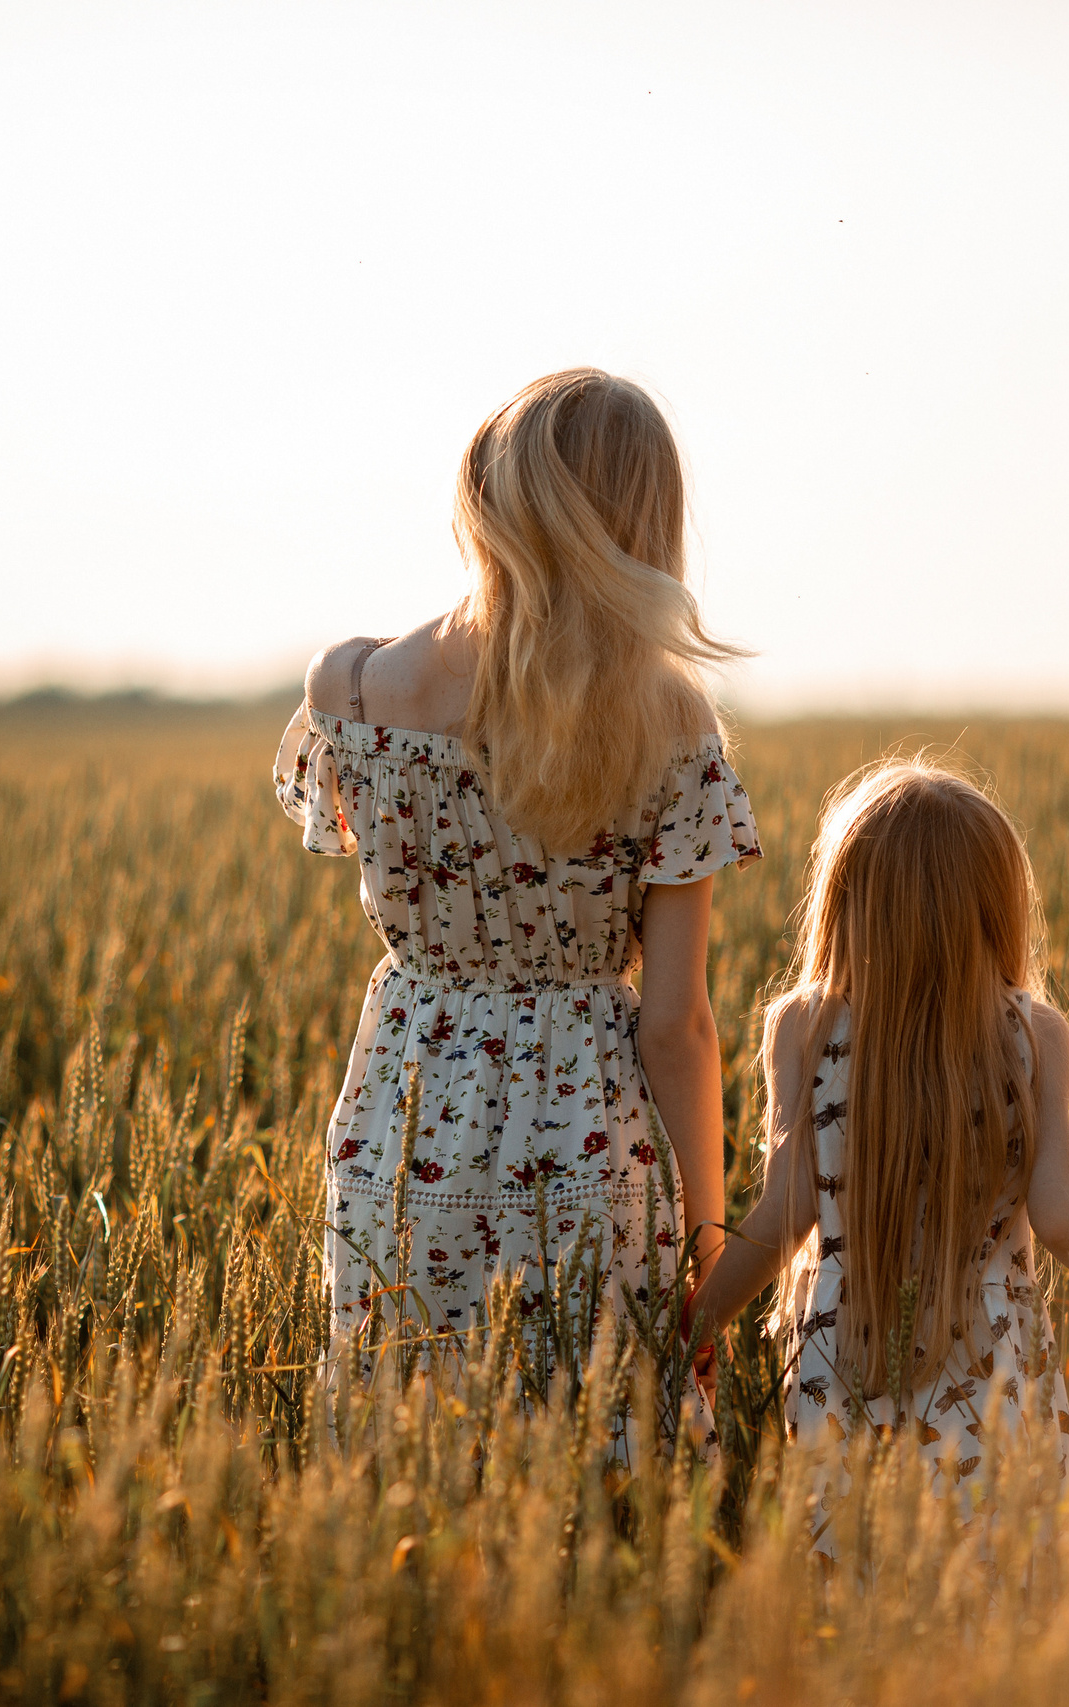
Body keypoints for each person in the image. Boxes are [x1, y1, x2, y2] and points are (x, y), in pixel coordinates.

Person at [274, 368, 758, 1377]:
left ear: (484, 495)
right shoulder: (667, 720)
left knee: (404, 1422)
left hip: (403, 1125)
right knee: (601, 1446)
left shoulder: (355, 688)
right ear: (645, 523)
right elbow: (676, 1024)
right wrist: (709, 1246)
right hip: (587, 1133)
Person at [684, 759, 1069, 1551]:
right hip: (995, 1362)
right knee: (1002, 1568)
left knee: (855, 1568)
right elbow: (1058, 1215)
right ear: (995, 908)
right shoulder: (1031, 1033)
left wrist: (686, 1326)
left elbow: (786, 1213)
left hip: (843, 1357)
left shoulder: (804, 1027)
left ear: (846, 906)